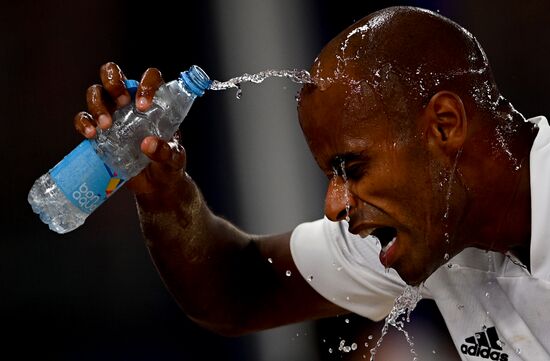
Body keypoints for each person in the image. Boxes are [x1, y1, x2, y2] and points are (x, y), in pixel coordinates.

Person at [73, 6, 549, 360]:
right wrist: (163, 192)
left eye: (353, 167)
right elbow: (238, 288)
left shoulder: (432, 213)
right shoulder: (436, 220)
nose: (335, 204)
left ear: (444, 126)